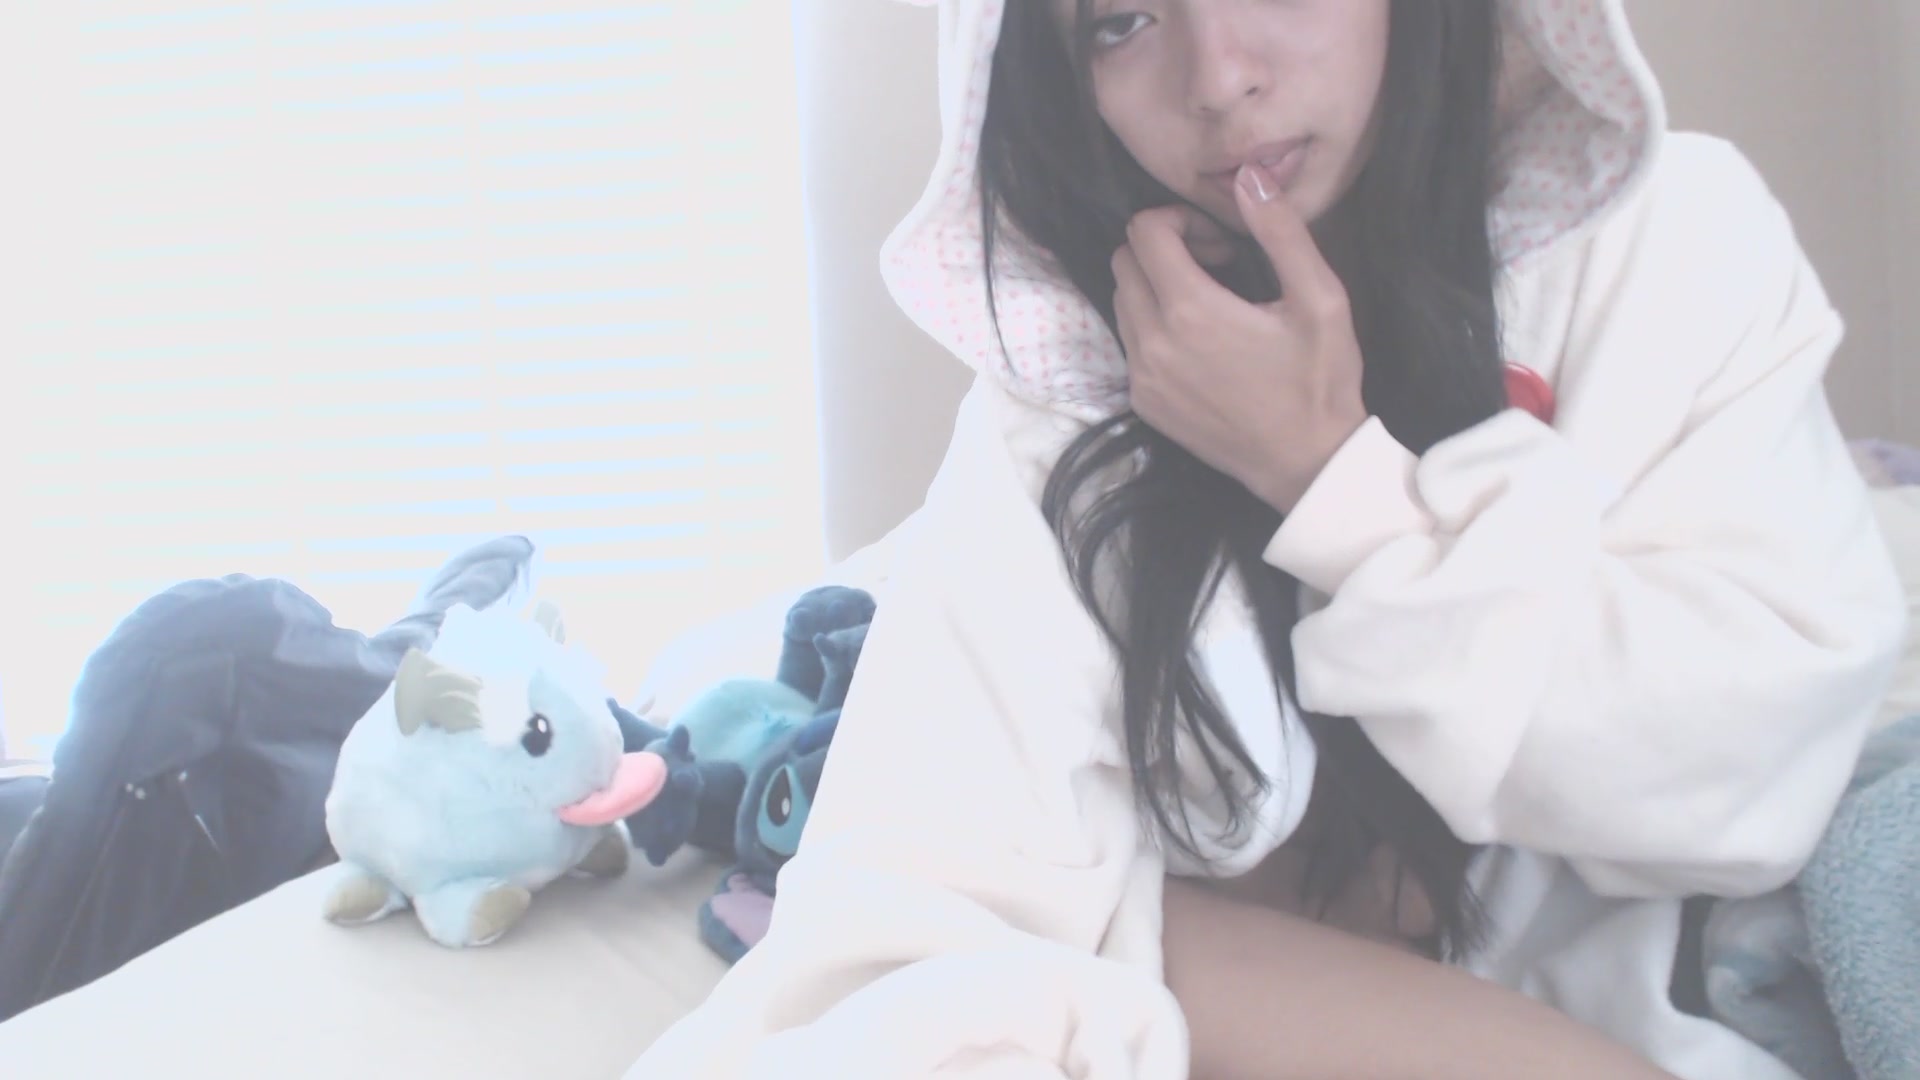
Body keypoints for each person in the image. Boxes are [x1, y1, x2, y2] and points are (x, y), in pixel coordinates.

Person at [632, 1, 1907, 1077]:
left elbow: (1747, 776)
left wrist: (1332, 481)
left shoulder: (1669, 239)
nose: (1219, 78)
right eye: (1121, 22)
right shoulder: (1059, 409)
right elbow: (900, 940)